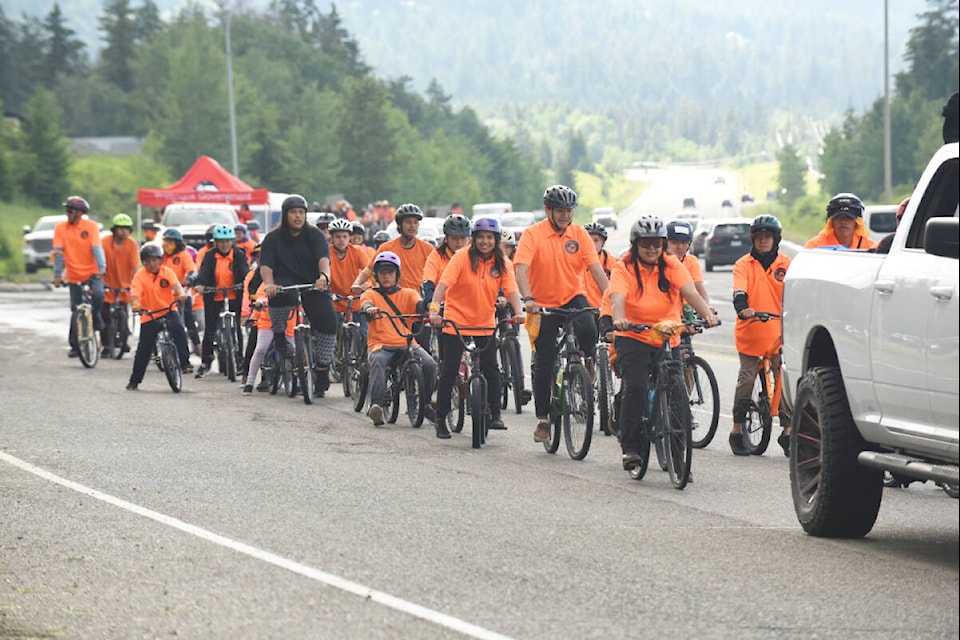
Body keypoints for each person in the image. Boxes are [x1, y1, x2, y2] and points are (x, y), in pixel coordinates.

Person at [608, 216, 718, 471]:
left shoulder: (671, 265)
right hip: (633, 336)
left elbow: (690, 293)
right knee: (635, 387)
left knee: (677, 392)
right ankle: (631, 448)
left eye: (657, 244)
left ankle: (680, 460)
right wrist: (620, 320)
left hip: (667, 335)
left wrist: (708, 315)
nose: (652, 249)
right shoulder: (623, 267)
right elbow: (617, 299)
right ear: (636, 245)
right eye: (646, 244)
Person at [514, 185, 609, 443]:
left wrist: (611, 302)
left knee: (590, 329)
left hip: (572, 297)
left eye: (569, 211)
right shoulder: (533, 234)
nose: (566, 216)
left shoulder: (579, 234)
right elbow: (521, 270)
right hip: (541, 303)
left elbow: (596, 270)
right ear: (548, 210)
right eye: (560, 211)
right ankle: (543, 420)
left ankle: (586, 364)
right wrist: (528, 299)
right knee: (544, 360)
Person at [429, 218, 524, 438]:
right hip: (456, 321)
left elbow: (510, 290)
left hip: (485, 323)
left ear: (496, 239)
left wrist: (518, 312)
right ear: (474, 238)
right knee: (449, 370)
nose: (485, 241)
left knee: (491, 369)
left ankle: (494, 413)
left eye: (490, 237)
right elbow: (443, 285)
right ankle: (441, 418)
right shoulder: (461, 257)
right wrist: (434, 310)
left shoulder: (502, 263)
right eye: (480, 237)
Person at [259, 194, 338, 396]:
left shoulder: (315, 235)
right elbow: (266, 266)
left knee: (329, 321)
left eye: (301, 213)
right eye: (293, 212)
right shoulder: (272, 238)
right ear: (285, 215)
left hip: (313, 283)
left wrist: (324, 277)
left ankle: (322, 367)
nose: (298, 217)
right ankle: (279, 335)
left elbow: (324, 260)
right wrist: (269, 284)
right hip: (285, 282)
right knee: (279, 296)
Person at [729, 214, 792, 457]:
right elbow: (739, 289)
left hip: (778, 333)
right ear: (753, 240)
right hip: (751, 330)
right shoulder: (743, 264)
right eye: (759, 237)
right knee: (746, 378)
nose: (763, 241)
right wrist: (742, 307)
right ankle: (736, 430)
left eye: (768, 237)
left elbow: (795, 293)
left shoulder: (787, 264)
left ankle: (787, 431)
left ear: (775, 240)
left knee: (784, 380)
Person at [359, 252, 437, 427]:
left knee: (430, 364)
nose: (386, 276)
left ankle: (425, 404)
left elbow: (419, 305)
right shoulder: (370, 294)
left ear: (396, 274)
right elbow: (365, 303)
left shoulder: (408, 293)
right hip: (381, 344)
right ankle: (376, 406)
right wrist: (369, 309)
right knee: (377, 360)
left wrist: (429, 306)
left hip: (407, 342)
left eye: (390, 272)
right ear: (377, 276)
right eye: (383, 273)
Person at [126, 244, 192, 390]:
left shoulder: (167, 272)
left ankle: (185, 362)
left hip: (168, 309)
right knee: (144, 348)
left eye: (155, 260)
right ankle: (134, 380)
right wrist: (136, 305)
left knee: (179, 330)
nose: (152, 264)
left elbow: (176, 286)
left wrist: (181, 295)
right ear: (143, 262)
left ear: (161, 260)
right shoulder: (140, 275)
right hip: (149, 314)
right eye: (148, 261)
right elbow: (135, 293)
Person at [194, 224, 250, 381]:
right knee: (210, 329)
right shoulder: (210, 256)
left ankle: (239, 360)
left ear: (232, 241)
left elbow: (245, 271)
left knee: (237, 327)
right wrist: (200, 285)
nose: (224, 245)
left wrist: (246, 282)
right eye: (221, 242)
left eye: (227, 241)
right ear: (215, 243)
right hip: (214, 294)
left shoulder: (238, 254)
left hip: (234, 294)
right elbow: (203, 272)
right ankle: (206, 362)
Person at [53, 196, 106, 358]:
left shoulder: (91, 226)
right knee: (76, 309)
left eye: (71, 210)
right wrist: (57, 275)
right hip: (74, 274)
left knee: (98, 295)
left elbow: (97, 249)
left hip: (93, 272)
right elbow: (58, 253)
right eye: (66, 210)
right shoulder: (60, 228)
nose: (67, 214)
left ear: (80, 213)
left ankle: (96, 318)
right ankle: (75, 346)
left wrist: (102, 268)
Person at [352, 204, 435, 293]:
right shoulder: (387, 248)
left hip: (419, 301)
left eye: (415, 222)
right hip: (394, 299)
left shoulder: (427, 249)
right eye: (408, 222)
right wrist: (356, 284)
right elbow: (369, 270)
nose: (412, 226)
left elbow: (438, 273)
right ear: (399, 225)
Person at [100, 213, 140, 354]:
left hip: (124, 285)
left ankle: (123, 339)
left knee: (124, 313)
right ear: (114, 229)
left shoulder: (132, 244)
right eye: (120, 228)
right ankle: (105, 345)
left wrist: (137, 282)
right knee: (104, 314)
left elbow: (135, 266)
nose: (123, 231)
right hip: (107, 283)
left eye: (126, 228)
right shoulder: (104, 242)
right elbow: (99, 261)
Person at [160, 228, 201, 352]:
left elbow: (192, 270)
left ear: (178, 243)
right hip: (163, 295)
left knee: (188, 321)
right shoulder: (160, 257)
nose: (168, 246)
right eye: (166, 242)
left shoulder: (184, 255)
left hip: (182, 294)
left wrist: (188, 280)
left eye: (171, 242)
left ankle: (198, 347)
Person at [328, 218, 371, 334]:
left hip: (355, 300)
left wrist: (367, 285)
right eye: (337, 237)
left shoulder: (356, 251)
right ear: (331, 238)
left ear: (349, 238)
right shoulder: (327, 252)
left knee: (364, 334)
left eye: (344, 237)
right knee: (330, 333)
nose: (341, 240)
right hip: (334, 301)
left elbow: (369, 270)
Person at [805, 193, 876, 250]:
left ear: (857, 222)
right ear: (831, 222)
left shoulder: (870, 247)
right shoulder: (814, 246)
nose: (843, 222)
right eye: (838, 218)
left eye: (849, 218)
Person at [583, 222, 614, 311]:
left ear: (603, 243)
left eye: (596, 240)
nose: (592, 244)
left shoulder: (613, 263)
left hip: (604, 312)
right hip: (581, 312)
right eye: (588, 240)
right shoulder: (574, 262)